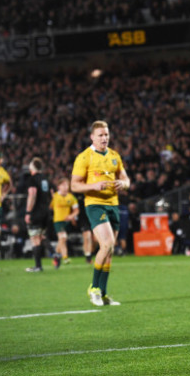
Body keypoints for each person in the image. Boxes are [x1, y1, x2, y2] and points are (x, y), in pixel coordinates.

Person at [71, 120, 130, 306]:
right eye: (100, 135)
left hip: (113, 205)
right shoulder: (84, 157)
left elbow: (126, 178)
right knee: (107, 244)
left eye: (106, 135)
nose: (104, 138)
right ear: (92, 137)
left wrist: (124, 184)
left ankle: (103, 294)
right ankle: (94, 288)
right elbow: (74, 185)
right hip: (95, 204)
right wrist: (93, 186)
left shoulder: (114, 156)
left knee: (110, 251)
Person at [24, 157, 53, 272]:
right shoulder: (45, 179)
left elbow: (32, 194)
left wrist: (28, 212)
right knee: (40, 237)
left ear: (33, 166)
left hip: (36, 212)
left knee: (34, 238)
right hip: (45, 211)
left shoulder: (32, 179)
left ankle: (38, 266)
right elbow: (52, 195)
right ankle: (53, 254)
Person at [50, 177, 79, 267]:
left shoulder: (71, 197)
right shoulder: (55, 196)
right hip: (58, 221)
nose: (65, 187)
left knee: (62, 239)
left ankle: (55, 256)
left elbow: (76, 210)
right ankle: (65, 257)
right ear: (58, 186)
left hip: (67, 221)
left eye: (67, 185)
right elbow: (50, 207)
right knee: (63, 238)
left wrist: (71, 216)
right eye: (63, 185)